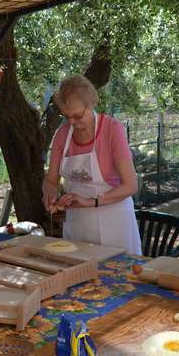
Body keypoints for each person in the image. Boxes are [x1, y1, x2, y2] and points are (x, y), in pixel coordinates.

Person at [42, 75, 141, 253]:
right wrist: (49, 195)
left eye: (77, 115)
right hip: (78, 223)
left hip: (114, 222)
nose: (72, 122)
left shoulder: (112, 129)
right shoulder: (62, 135)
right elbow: (51, 181)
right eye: (66, 116)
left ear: (91, 104)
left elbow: (131, 185)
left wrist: (91, 202)